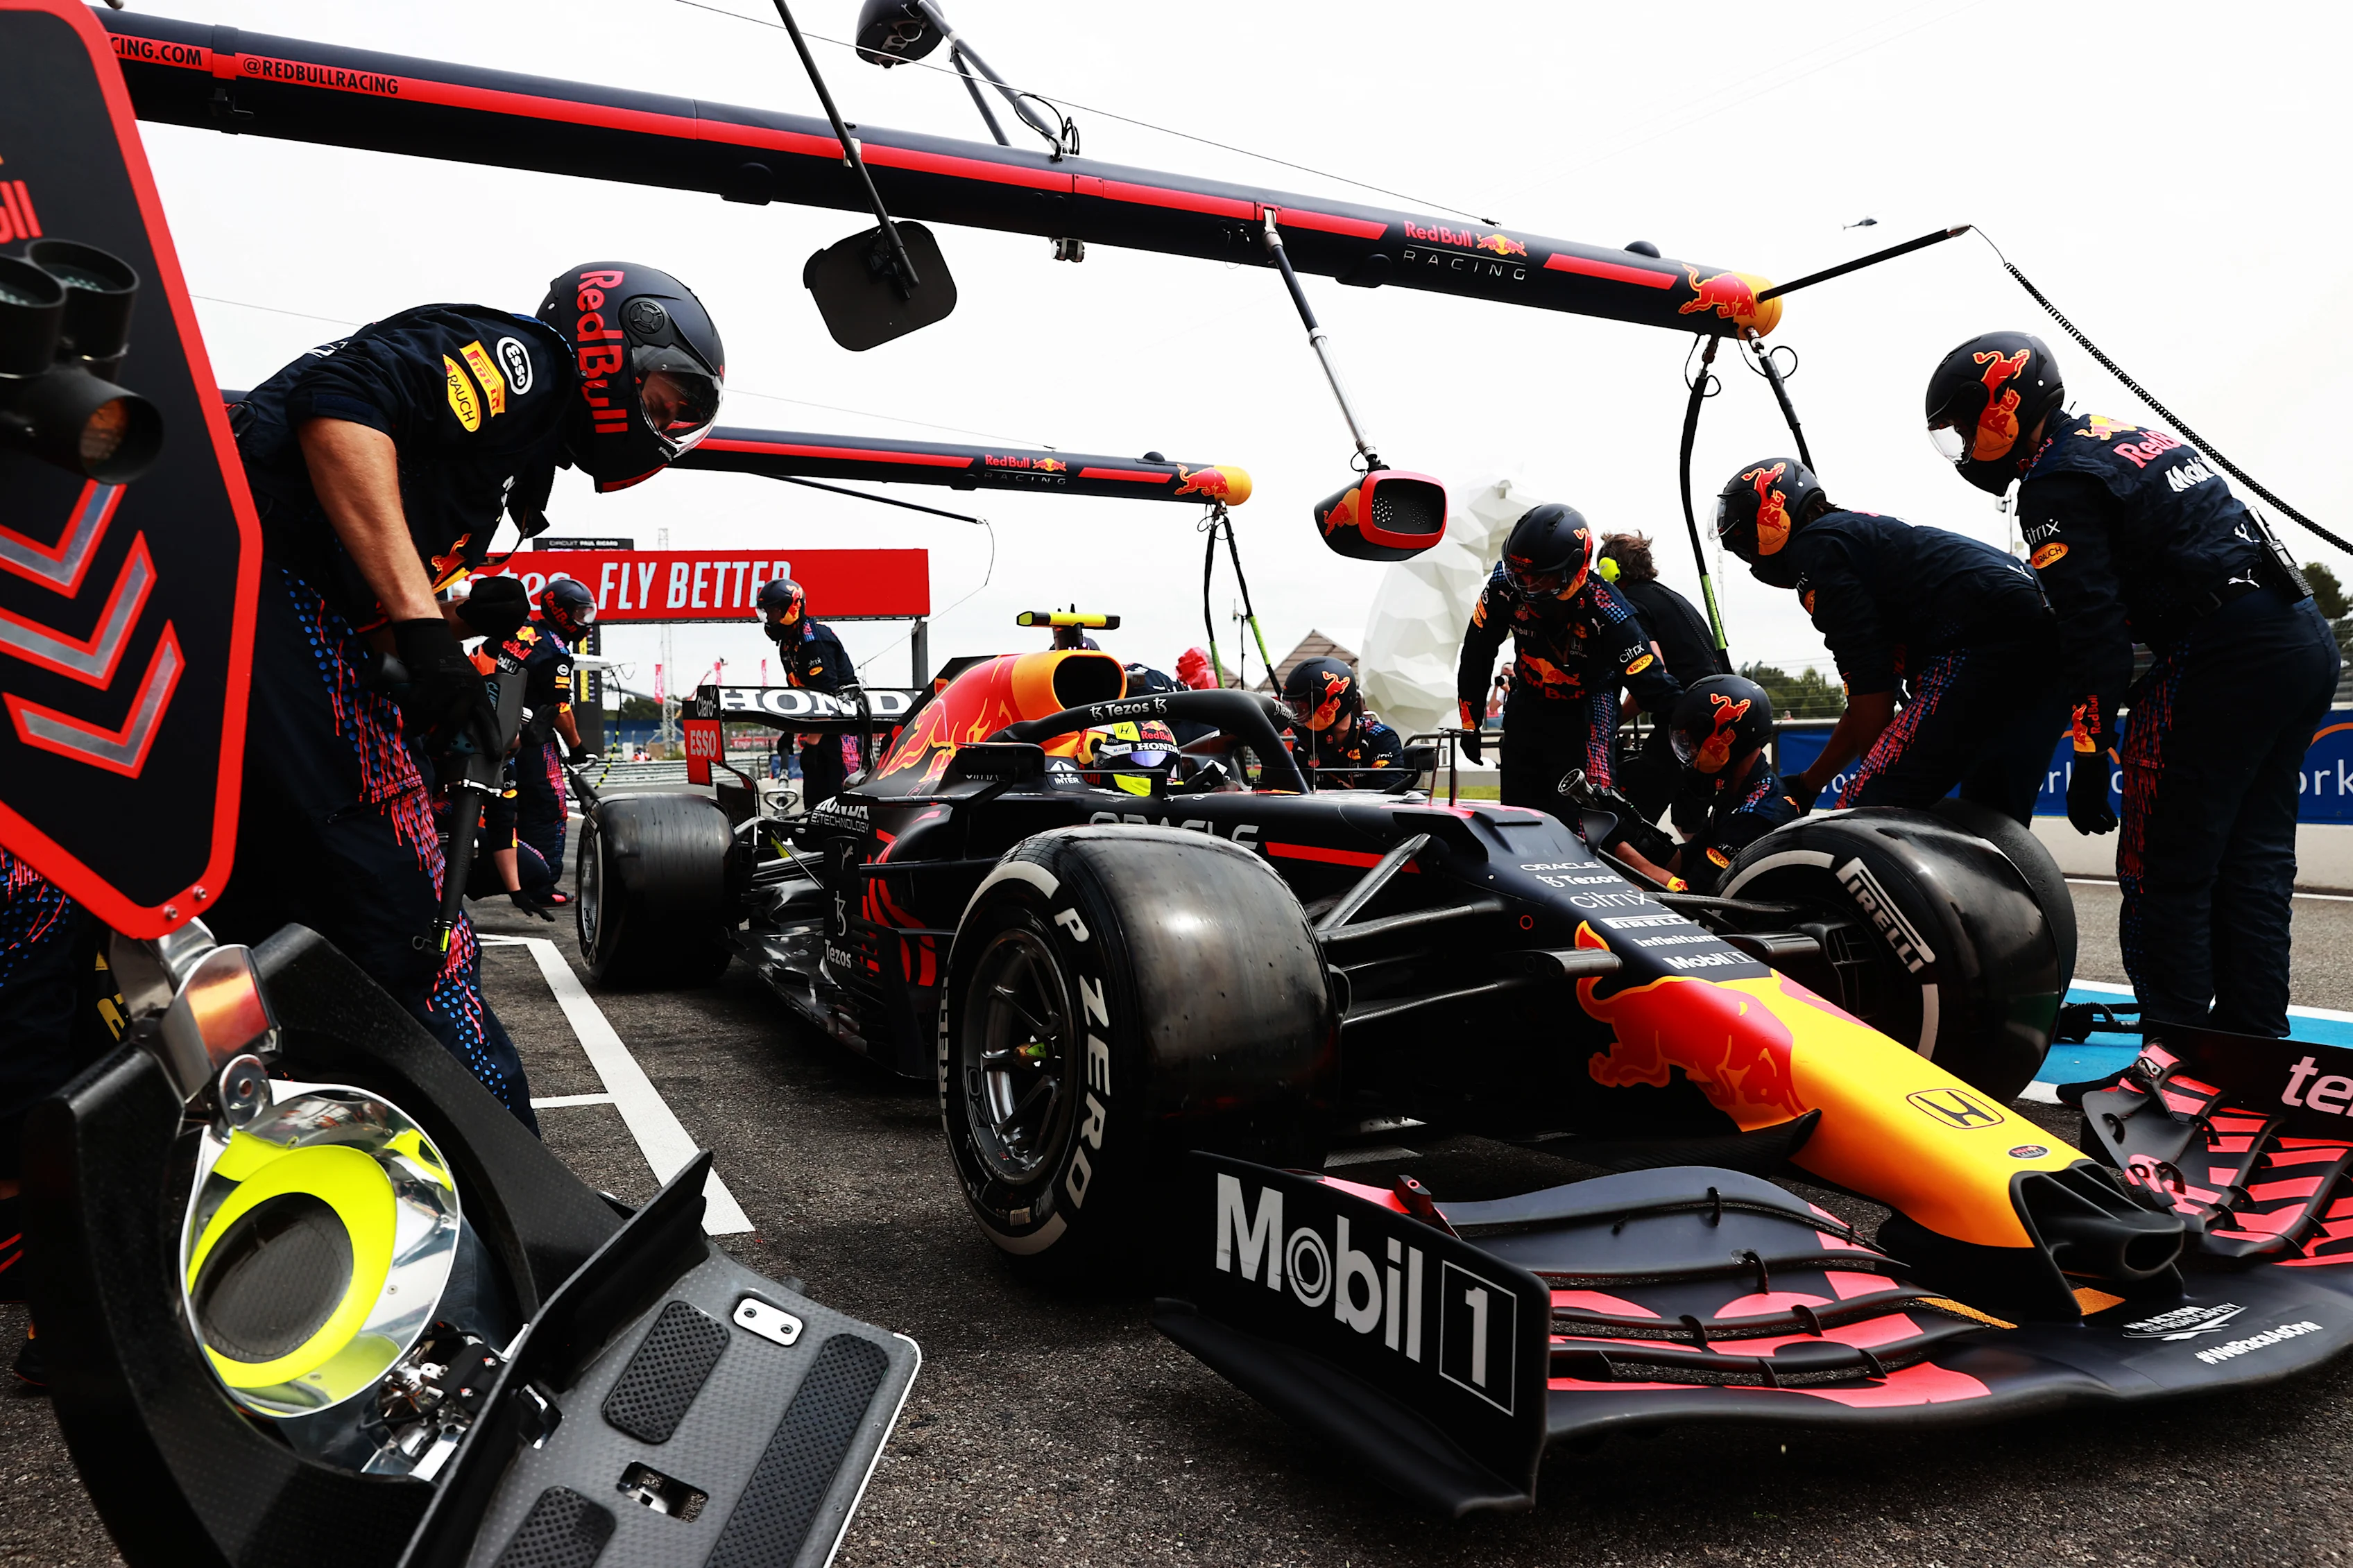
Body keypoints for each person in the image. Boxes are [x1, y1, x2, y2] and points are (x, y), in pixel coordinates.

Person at [206, 261, 726, 1126]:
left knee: (259, 911)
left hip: (251, 597)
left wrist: (441, 621)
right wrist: (421, 624)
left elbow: (364, 581)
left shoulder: (506, 471)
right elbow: (340, 403)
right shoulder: (532, 360)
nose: (666, 426)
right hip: (246, 574)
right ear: (617, 341)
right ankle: (499, 1183)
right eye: (669, 400)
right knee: (403, 903)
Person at [1927, 331, 2340, 1035]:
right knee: (2252, 863)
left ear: (2003, 403)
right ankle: (2250, 1046)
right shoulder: (2119, 435)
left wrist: (2090, 751)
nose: (1965, 444)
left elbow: (2093, 634)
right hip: (2298, 635)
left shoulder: (2054, 480)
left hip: (2221, 650)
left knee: (2160, 870)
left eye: (1966, 424)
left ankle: (2172, 1053)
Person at [1714, 456, 2065, 826]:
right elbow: (1867, 698)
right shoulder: (1859, 539)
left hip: (1979, 642)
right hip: (2048, 645)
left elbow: (1870, 686)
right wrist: (1809, 783)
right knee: (1992, 823)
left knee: (1862, 818)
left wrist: (1874, 782)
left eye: (1746, 542)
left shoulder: (1816, 546)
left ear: (1774, 513)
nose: (1749, 555)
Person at [1456, 504, 1683, 820]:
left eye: (1538, 579)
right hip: (1531, 700)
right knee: (1518, 813)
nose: (1524, 587)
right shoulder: (1501, 587)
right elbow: (1476, 653)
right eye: (1517, 574)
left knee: (1595, 814)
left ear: (1573, 571)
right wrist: (1470, 723)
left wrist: (1696, 730)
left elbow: (1653, 685)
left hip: (1589, 706)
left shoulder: (1608, 609)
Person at [1599, 532, 1732, 822]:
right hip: (1719, 717)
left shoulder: (1630, 607)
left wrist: (1612, 722)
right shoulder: (1670, 597)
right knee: (1689, 819)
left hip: (1684, 725)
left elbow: (1653, 673)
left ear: (1609, 569)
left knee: (1633, 819)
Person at [1624, 674, 1799, 895]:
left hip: (1740, 924)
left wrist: (1622, 853)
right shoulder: (1739, 790)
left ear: (1729, 738)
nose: (1691, 754)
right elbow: (1688, 859)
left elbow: (1692, 898)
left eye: (1694, 744)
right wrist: (1630, 833)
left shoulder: (1756, 816)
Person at [510, 578, 599, 895]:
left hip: (500, 736)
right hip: (533, 738)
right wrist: (576, 747)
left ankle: (516, 877)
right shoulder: (555, 651)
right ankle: (541, 883)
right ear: (560, 612)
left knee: (512, 809)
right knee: (549, 807)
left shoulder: (523, 633)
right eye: (580, 614)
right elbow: (559, 707)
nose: (585, 622)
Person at [756, 577, 859, 811]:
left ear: (791, 608)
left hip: (841, 732)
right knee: (813, 804)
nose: (769, 618)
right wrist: (788, 732)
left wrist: (811, 745)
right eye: (766, 612)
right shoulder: (786, 645)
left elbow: (827, 699)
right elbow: (799, 698)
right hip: (818, 733)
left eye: (773, 611)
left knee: (837, 804)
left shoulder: (814, 642)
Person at [1281, 656, 1409, 789]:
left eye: (1303, 709)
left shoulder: (1379, 737)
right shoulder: (1304, 745)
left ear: (1334, 703)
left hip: (1362, 809)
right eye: (1295, 708)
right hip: (1318, 809)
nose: (1298, 716)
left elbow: (1389, 796)